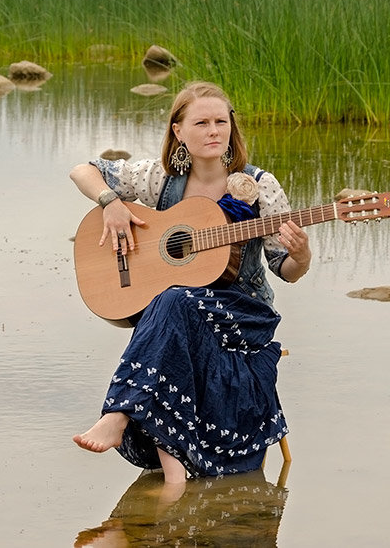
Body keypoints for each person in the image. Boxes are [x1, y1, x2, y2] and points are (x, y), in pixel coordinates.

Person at [70, 81, 312, 487]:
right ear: (178, 131)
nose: (214, 131)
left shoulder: (260, 186)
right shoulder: (162, 179)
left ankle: (118, 416)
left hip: (242, 311)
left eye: (222, 121)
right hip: (181, 306)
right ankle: (170, 462)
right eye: (202, 122)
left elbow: (283, 268)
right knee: (176, 299)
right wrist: (110, 203)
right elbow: (83, 170)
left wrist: (301, 256)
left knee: (173, 300)